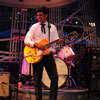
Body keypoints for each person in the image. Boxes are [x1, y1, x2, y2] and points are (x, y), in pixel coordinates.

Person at [24, 6, 63, 100]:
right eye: (37, 15)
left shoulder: (52, 27)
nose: (38, 17)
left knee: (54, 78)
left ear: (46, 15)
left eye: (41, 15)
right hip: (36, 56)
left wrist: (58, 42)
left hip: (48, 56)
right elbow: (26, 40)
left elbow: (54, 45)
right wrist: (36, 44)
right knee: (37, 80)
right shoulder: (34, 27)